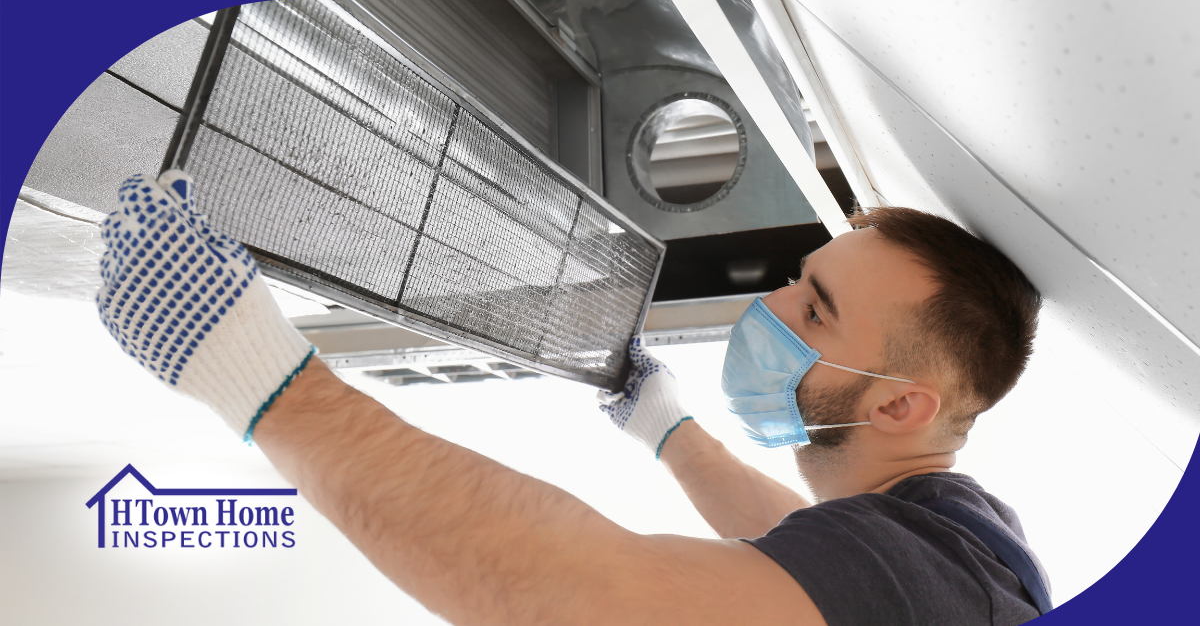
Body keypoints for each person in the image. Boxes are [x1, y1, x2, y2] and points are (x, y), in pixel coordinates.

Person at [96, 170, 1045, 625]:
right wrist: (665, 429)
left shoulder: (936, 576)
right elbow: (793, 544)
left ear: (897, 408)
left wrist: (263, 380)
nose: (771, 306)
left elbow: (585, 597)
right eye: (800, 279)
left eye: (815, 309)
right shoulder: (952, 543)